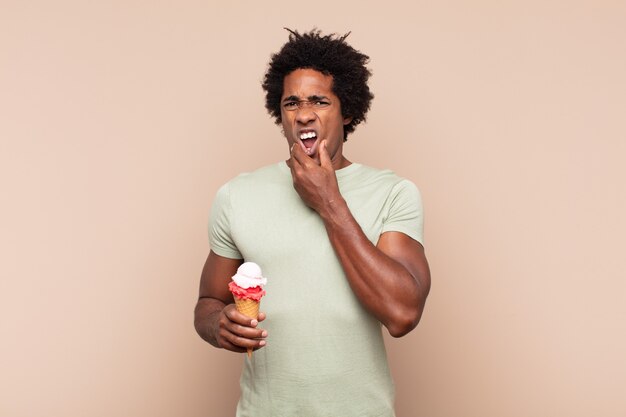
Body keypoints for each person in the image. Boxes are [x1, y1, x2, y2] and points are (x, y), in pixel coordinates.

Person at [194, 29, 431, 417]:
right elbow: (207, 302)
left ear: (348, 110)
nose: (304, 114)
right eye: (292, 103)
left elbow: (403, 314)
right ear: (280, 113)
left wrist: (329, 201)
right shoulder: (236, 196)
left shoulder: (394, 193)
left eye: (320, 101)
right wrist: (217, 325)